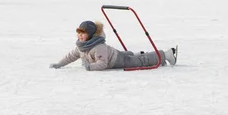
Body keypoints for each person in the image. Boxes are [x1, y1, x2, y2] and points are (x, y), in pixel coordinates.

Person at [49, 20, 178, 71]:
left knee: (139, 62)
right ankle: (137, 53)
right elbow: (71, 56)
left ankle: (165, 54)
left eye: (83, 33)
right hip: (113, 54)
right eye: (78, 33)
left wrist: (90, 67)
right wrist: (59, 64)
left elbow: (102, 64)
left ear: (91, 34)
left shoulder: (97, 47)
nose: (80, 36)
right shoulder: (81, 47)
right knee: (129, 56)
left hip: (117, 60)